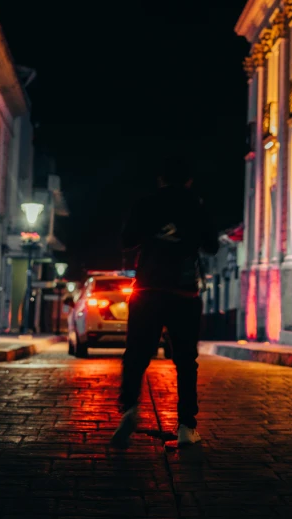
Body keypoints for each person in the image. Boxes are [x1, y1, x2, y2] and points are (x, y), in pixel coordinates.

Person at [111, 156, 219, 448]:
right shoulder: (196, 205)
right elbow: (212, 245)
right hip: (183, 292)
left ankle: (130, 409)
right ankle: (186, 426)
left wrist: (155, 232)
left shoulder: (146, 203)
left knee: (136, 354)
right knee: (185, 361)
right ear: (189, 180)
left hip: (147, 289)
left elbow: (126, 240)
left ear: (160, 179)